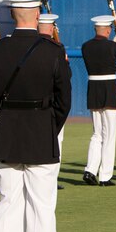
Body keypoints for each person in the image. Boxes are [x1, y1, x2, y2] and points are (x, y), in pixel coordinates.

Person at [0, 0, 71, 232]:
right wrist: (48, 125)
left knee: (8, 206)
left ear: (10, 14)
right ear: (37, 14)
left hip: (8, 134)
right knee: (42, 209)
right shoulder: (52, 51)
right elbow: (64, 101)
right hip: (40, 134)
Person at [81, 15, 116, 187]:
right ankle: (105, 176)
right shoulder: (112, 46)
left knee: (97, 134)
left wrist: (114, 50)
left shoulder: (86, 46)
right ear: (107, 30)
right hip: (109, 91)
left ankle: (90, 170)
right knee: (109, 135)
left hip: (93, 90)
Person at [39, 13, 69, 191]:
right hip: (52, 103)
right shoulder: (57, 48)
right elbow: (66, 77)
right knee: (56, 141)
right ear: (51, 28)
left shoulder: (31, 47)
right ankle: (51, 178)